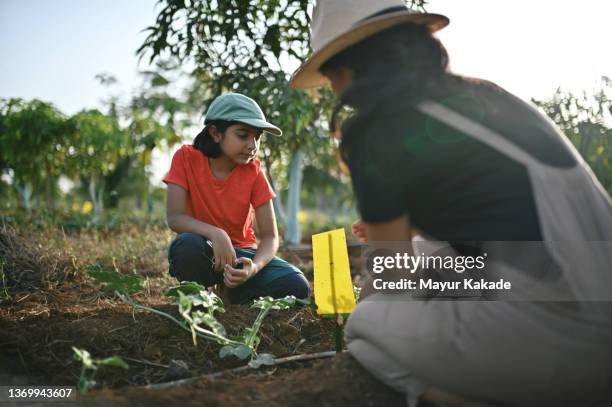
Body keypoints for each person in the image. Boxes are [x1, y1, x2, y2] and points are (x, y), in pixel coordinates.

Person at [291, 1, 612, 406]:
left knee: (364, 328)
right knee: (431, 261)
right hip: (592, 299)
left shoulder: (375, 131)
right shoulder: (487, 96)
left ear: (345, 69)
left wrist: (376, 281)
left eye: (330, 76)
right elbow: (493, 217)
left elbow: (390, 281)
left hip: (570, 337)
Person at [163, 93, 310, 304]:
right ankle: (200, 298)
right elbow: (175, 218)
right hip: (204, 252)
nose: (253, 145)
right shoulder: (186, 158)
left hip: (242, 256)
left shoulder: (254, 173)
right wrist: (215, 234)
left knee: (296, 285)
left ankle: (232, 290)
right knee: (187, 246)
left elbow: (270, 237)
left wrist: (254, 267)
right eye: (243, 135)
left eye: (257, 137)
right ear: (215, 133)